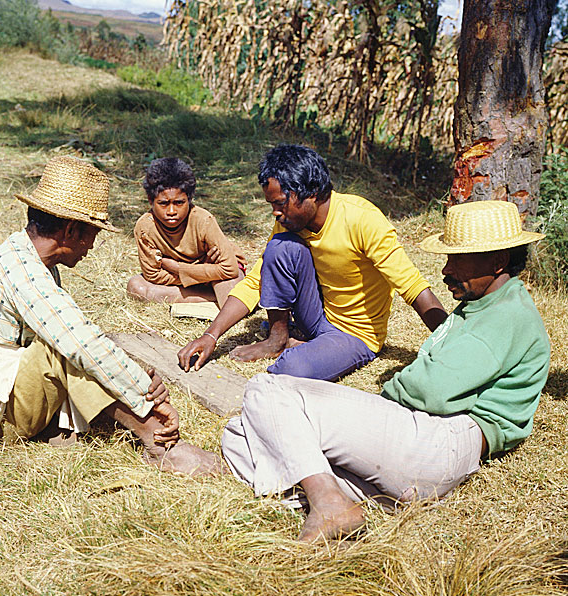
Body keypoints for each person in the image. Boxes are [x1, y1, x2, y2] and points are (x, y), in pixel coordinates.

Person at [221, 200, 550, 543]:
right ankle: (334, 496)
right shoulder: (484, 305)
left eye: (458, 259)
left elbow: (433, 390)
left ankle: (329, 504)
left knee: (268, 389)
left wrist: (391, 390)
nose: (446, 270)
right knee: (241, 435)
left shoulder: (506, 315)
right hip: (421, 456)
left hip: (441, 442)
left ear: (497, 261)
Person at [0, 155, 220, 476]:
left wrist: (138, 381)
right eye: (93, 234)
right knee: (64, 349)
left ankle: (67, 425)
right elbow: (78, 343)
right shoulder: (21, 271)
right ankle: (160, 446)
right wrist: (146, 399)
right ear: (72, 230)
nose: (91, 246)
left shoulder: (30, 261)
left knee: (79, 350)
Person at [178, 144, 447, 381]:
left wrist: (453, 343)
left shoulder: (362, 220)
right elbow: (256, 281)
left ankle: (304, 348)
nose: (275, 212)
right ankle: (277, 339)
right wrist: (210, 336)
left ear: (313, 193)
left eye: (281, 203)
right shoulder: (289, 221)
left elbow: (414, 289)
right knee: (279, 248)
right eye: (271, 204)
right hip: (314, 316)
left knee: (291, 370)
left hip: (354, 334)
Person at [126, 157, 246, 309]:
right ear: (150, 200)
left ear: (189, 199)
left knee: (232, 296)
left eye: (179, 203)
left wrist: (178, 268)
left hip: (214, 275)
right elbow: (153, 275)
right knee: (137, 288)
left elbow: (230, 269)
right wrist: (200, 274)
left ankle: (215, 298)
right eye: (163, 203)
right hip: (204, 275)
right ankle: (211, 297)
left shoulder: (203, 220)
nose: (171, 211)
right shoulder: (145, 227)